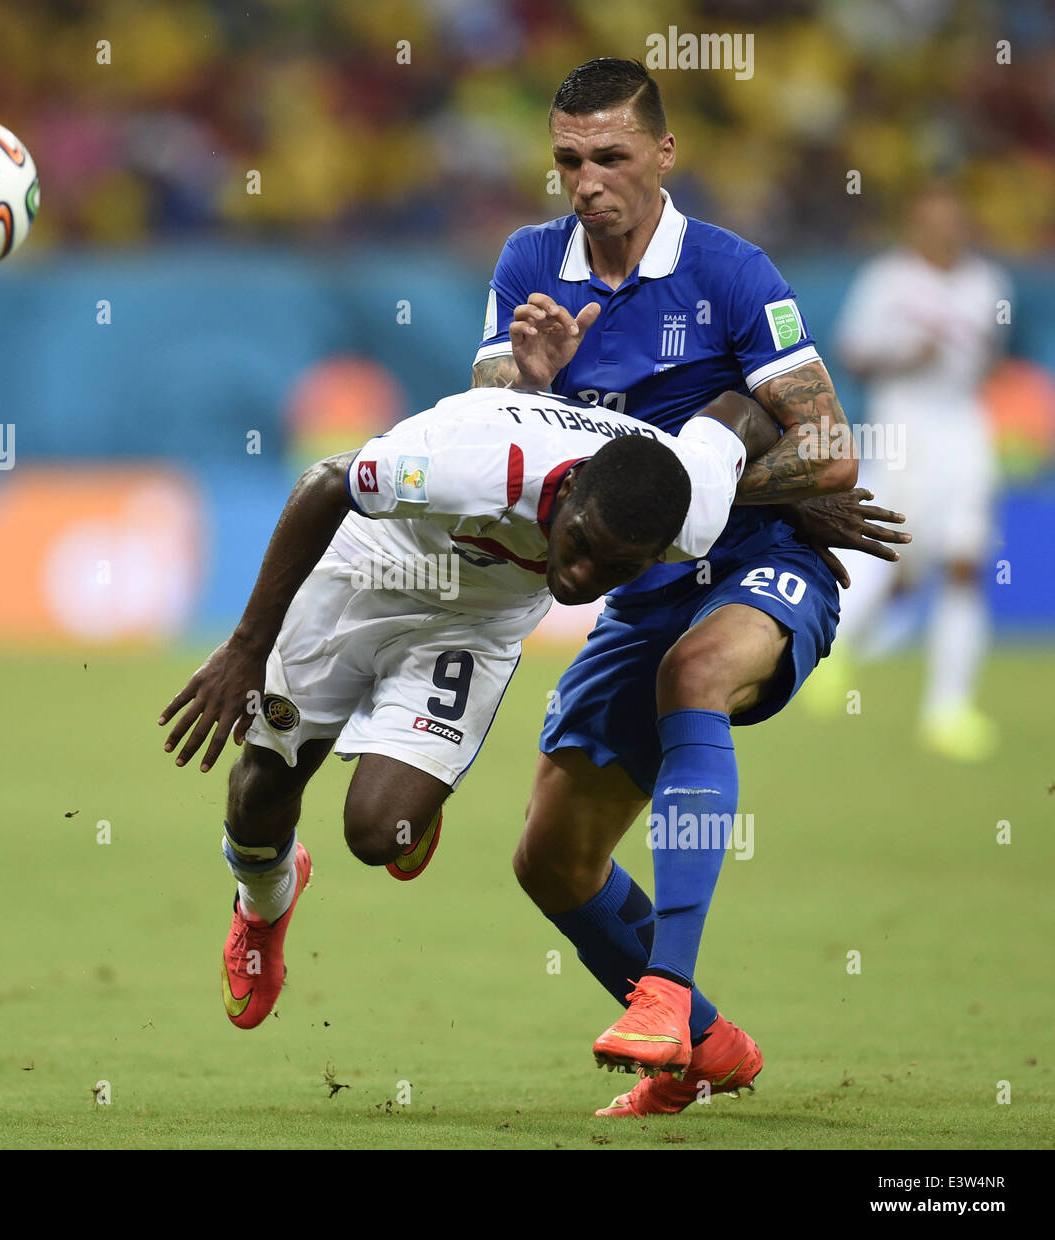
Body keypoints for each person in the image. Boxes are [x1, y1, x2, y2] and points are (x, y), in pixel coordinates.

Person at [157, 383, 897, 1032]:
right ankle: (264, 905)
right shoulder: (475, 464)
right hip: (368, 569)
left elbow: (740, 413)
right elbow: (326, 481)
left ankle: (416, 779)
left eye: (616, 569)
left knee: (380, 833)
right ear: (566, 491)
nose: (579, 579)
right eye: (578, 546)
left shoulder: (689, 506)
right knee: (262, 790)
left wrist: (796, 504)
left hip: (474, 624)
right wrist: (247, 647)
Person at [471, 57, 907, 1117]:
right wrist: (523, 384)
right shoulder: (530, 263)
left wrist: (697, 491)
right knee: (549, 861)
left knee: (695, 673)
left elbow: (833, 451)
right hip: (645, 586)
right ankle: (704, 1046)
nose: (587, 181)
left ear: (663, 154)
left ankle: (665, 987)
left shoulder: (729, 272)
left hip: (764, 557)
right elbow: (486, 415)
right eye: (569, 159)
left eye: (611, 156)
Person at [819, 181, 1008, 760]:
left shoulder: (986, 285)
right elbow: (851, 353)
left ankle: (947, 712)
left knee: (965, 564)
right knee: (894, 564)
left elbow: (990, 356)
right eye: (932, 219)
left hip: (965, 434)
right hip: (905, 432)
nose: (944, 230)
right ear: (913, 225)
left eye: (953, 219)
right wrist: (906, 355)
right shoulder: (888, 281)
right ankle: (833, 650)